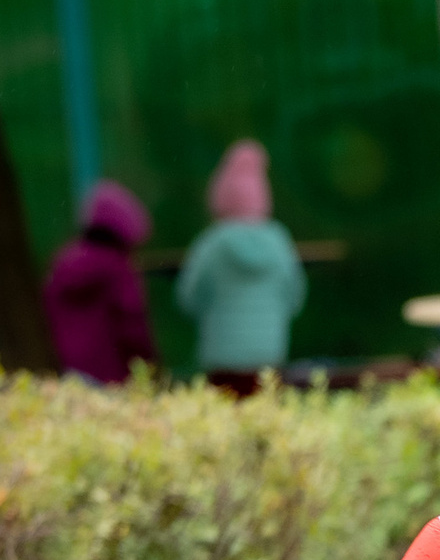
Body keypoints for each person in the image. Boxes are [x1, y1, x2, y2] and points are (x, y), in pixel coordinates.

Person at [176, 141, 305, 391]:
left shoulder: (211, 243)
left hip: (221, 361)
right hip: (269, 357)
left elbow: (188, 298)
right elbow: (294, 298)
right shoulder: (279, 240)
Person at [43, 180, 157, 383]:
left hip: (65, 369)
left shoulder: (64, 261)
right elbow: (132, 325)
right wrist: (148, 363)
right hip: (111, 373)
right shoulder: (117, 267)